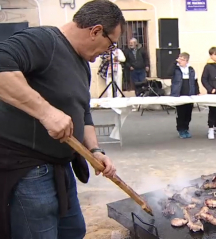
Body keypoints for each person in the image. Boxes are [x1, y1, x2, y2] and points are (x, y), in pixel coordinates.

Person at [0, 0, 124, 238]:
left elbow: (83, 111)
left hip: (62, 167)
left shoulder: (82, 63)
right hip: (29, 170)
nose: (107, 52)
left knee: (74, 231)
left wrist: (96, 150)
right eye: (111, 44)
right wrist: (46, 112)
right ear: (96, 31)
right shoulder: (44, 41)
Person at [169, 52, 200, 138]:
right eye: (179, 59)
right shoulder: (176, 69)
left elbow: (195, 81)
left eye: (182, 60)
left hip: (189, 94)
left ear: (186, 61)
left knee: (188, 113)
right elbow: (169, 73)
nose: (180, 61)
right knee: (181, 113)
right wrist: (174, 63)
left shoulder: (191, 69)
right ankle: (180, 129)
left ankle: (186, 128)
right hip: (179, 94)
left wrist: (197, 92)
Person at [201, 47, 216, 139]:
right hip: (212, 93)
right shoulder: (208, 67)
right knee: (212, 110)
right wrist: (210, 89)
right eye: (215, 54)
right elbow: (204, 79)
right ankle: (210, 128)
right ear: (211, 55)